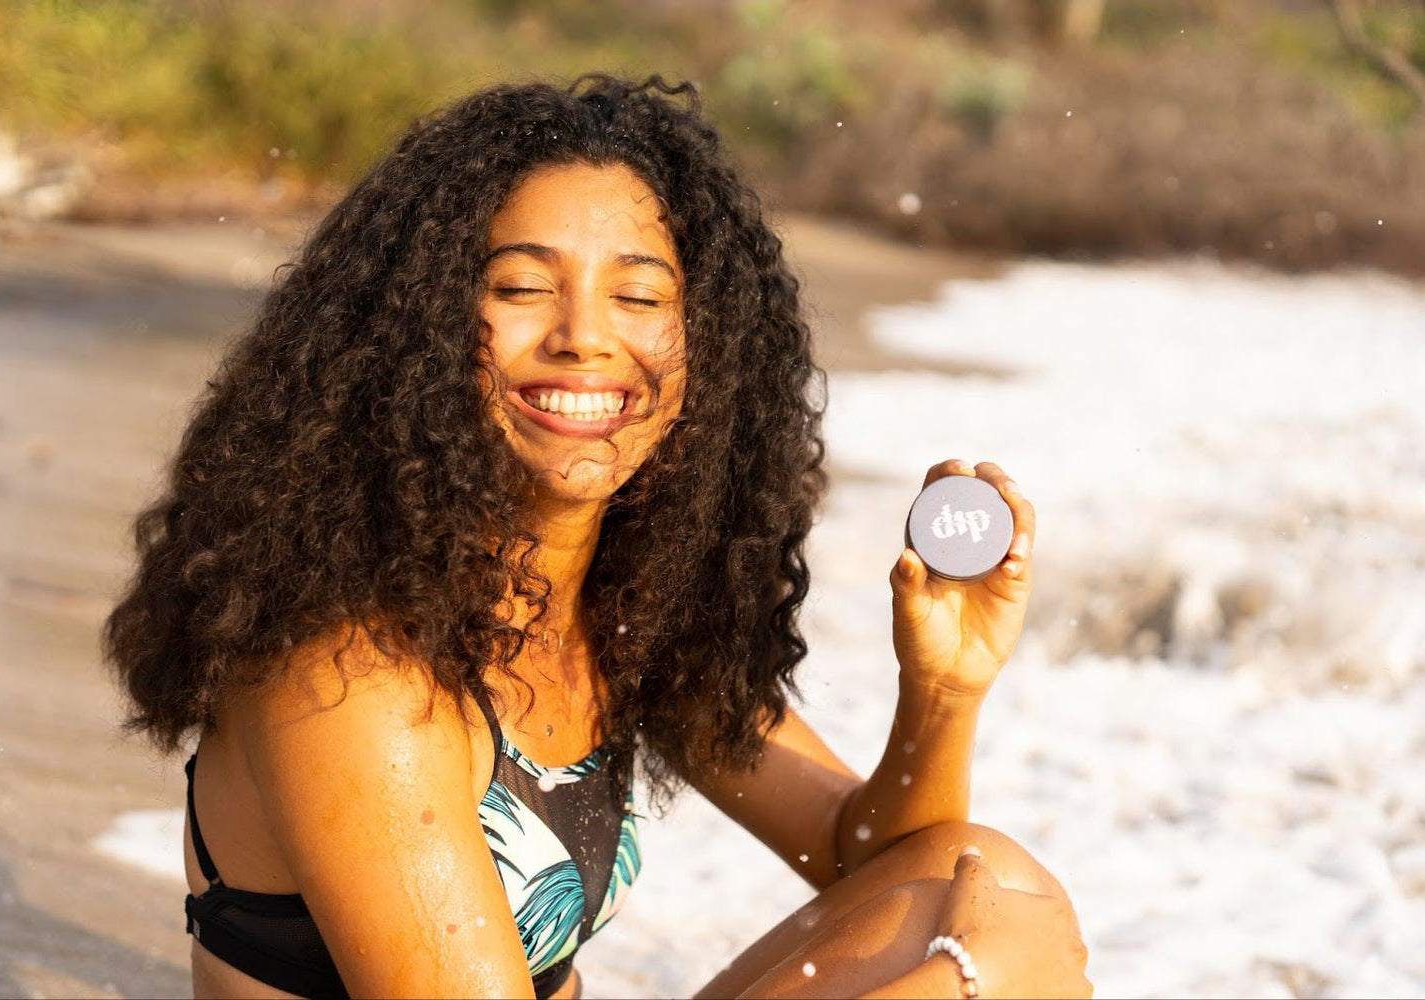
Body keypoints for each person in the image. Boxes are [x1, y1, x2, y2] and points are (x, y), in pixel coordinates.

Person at [104, 73, 1091, 999]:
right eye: (523, 287)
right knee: (986, 962)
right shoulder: (354, 675)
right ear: (418, 329)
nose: (585, 336)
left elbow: (865, 858)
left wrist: (943, 690)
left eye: (640, 295)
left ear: (707, 346)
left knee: (987, 885)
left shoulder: (616, 614)